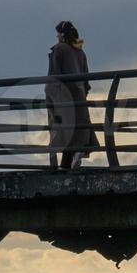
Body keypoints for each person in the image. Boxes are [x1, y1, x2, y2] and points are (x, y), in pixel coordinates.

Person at [45, 20, 100, 169]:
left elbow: (53, 77)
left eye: (58, 33)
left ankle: (62, 165)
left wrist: (50, 98)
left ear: (62, 35)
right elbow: (86, 79)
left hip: (63, 97)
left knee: (62, 129)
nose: (56, 36)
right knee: (78, 129)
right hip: (79, 96)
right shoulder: (80, 52)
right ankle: (75, 155)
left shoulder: (59, 49)